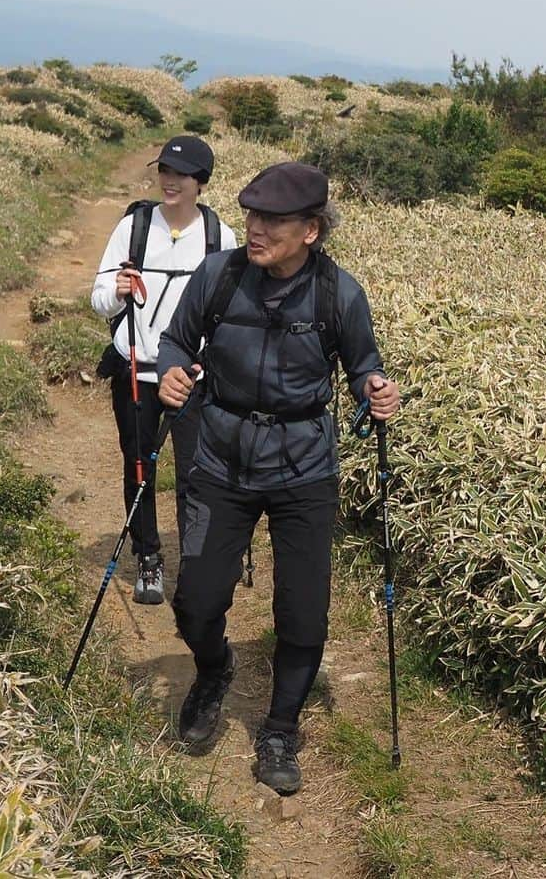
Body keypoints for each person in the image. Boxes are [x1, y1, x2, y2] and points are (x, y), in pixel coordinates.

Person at [158, 161, 399, 795]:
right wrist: (174, 372)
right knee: (196, 601)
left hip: (304, 468)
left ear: (311, 231)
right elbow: (177, 342)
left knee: (304, 614)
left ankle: (280, 728)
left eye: (272, 220)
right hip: (220, 457)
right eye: (251, 215)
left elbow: (363, 364)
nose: (254, 229)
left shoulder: (338, 293)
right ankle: (214, 671)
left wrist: (374, 389)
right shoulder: (218, 275)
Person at [91, 135, 236, 604]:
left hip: (191, 378)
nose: (170, 182)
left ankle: (194, 569)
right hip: (134, 367)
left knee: (197, 473)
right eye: (165, 172)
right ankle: (148, 558)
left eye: (183, 174)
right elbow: (98, 301)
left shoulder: (220, 237)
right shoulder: (132, 228)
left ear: (201, 182)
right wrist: (117, 289)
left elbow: (231, 314)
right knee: (138, 467)